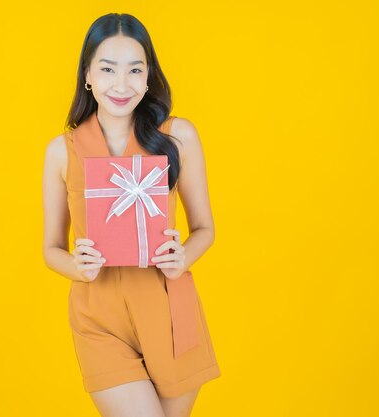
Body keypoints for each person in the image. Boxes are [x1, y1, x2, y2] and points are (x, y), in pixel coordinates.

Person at [42, 13, 220, 417]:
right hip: (98, 316)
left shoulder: (177, 136)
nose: (121, 84)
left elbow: (205, 229)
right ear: (88, 74)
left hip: (169, 310)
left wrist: (183, 256)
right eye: (107, 69)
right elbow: (50, 248)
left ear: (148, 75)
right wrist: (75, 265)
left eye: (135, 70)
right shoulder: (61, 150)